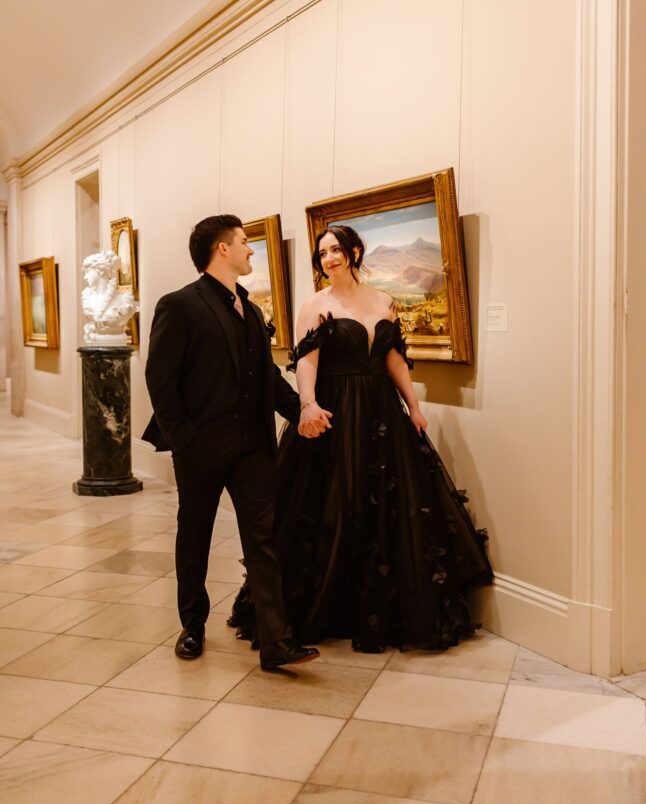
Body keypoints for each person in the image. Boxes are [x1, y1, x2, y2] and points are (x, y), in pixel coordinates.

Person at [229, 224, 493, 653]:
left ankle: (382, 610)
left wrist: (414, 407)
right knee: (335, 501)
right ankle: (328, 608)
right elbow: (307, 362)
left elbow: (394, 360)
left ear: (354, 252)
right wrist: (307, 405)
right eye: (322, 253)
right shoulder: (316, 305)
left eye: (335, 249)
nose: (329, 258)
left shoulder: (383, 301)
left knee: (385, 506)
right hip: (336, 410)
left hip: (382, 410)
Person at [143, 214, 329, 669]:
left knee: (262, 539)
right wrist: (185, 440)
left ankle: (275, 642)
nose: (251, 250)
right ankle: (193, 625)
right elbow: (159, 379)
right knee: (195, 537)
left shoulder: (251, 309)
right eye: (245, 242)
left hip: (252, 447)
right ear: (221, 249)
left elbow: (264, 376)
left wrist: (302, 409)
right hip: (201, 447)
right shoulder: (179, 304)